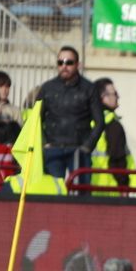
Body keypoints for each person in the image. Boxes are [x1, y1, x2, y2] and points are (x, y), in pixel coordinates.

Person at [33, 46, 105, 179]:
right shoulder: (47, 88)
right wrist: (45, 143)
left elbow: (100, 122)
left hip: (79, 149)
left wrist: (87, 146)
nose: (64, 66)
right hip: (53, 149)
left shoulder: (89, 88)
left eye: (69, 62)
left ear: (78, 64)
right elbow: (34, 120)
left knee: (81, 195)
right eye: (60, 62)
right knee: (54, 193)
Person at [90, 77, 135, 190]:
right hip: (111, 189)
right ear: (102, 97)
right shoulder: (112, 124)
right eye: (114, 93)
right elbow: (117, 159)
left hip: (89, 186)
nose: (117, 96)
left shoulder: (87, 121)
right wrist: (124, 185)